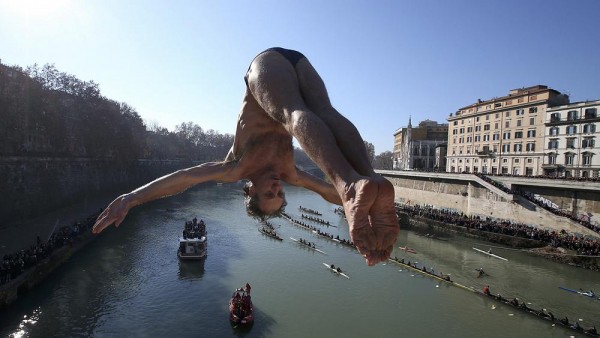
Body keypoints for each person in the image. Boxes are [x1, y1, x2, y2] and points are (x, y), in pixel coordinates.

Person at [92, 47, 399, 265]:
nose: (278, 186)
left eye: (269, 192)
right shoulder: (291, 174)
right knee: (326, 113)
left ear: (250, 190)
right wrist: (367, 213)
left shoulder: (234, 168)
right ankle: (366, 180)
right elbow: (325, 193)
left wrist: (132, 197)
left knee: (292, 114)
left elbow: (183, 180)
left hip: (266, 64)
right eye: (279, 194)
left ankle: (352, 185)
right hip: (301, 63)